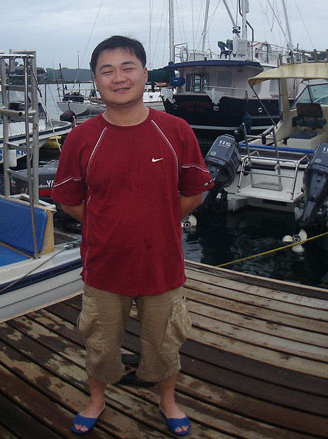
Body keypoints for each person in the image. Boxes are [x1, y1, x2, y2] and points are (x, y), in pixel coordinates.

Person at [51, 35, 212, 436]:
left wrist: (158, 220)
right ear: (95, 80)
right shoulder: (82, 138)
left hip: (162, 268)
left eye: (128, 68)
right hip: (103, 269)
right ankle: (97, 398)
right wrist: (107, 224)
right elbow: (69, 200)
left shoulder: (175, 130)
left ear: (145, 74)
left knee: (165, 343)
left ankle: (167, 400)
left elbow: (194, 191)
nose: (118, 78)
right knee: (100, 344)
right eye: (107, 71)